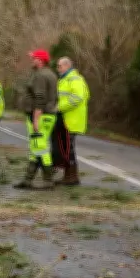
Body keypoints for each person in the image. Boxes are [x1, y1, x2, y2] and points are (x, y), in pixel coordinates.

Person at [14, 49, 58, 189]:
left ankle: (48, 180)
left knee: (40, 147)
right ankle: (28, 179)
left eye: (34, 58)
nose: (32, 61)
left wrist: (36, 119)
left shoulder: (40, 75)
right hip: (47, 114)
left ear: (41, 60)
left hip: (41, 115)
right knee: (36, 146)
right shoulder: (49, 74)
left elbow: (40, 98)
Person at [53, 57, 89, 186]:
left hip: (72, 120)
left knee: (69, 149)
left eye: (59, 66)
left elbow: (77, 97)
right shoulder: (64, 80)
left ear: (67, 66)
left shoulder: (74, 79)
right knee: (66, 148)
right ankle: (68, 176)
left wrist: (59, 107)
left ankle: (72, 177)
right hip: (66, 119)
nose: (58, 69)